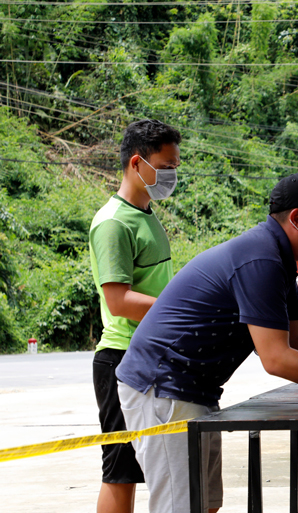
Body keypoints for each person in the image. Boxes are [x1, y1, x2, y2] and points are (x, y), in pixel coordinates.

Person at [115, 172, 298, 513]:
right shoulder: (261, 259)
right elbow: (276, 358)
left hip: (191, 391)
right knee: (180, 508)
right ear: (297, 217)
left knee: (205, 504)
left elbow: (297, 336)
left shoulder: (278, 259)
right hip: (161, 388)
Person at [89, 119, 181, 513]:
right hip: (121, 359)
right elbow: (119, 301)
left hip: (149, 353)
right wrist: (179, 308)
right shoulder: (113, 223)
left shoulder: (144, 214)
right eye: (166, 166)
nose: (172, 175)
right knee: (121, 470)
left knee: (157, 467)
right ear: (137, 163)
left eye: (176, 166)